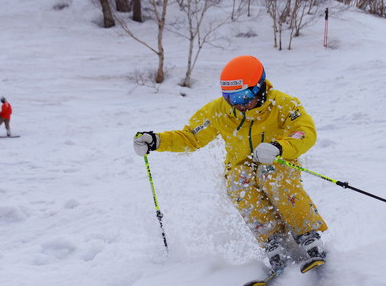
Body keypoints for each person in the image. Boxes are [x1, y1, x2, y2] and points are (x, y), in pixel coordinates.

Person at [133, 55, 328, 274]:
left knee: (271, 173)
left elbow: (306, 131)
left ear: (259, 88)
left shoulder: (282, 104)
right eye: (230, 97)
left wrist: (280, 147)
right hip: (240, 165)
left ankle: (307, 234)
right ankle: (274, 241)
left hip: (277, 159)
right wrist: (157, 141)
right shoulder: (220, 111)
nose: (239, 103)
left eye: (243, 95)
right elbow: (191, 137)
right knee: (237, 181)